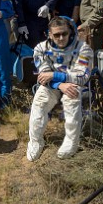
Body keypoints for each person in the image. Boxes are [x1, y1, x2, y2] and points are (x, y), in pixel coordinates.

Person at [26, 17, 93, 161]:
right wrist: (59, 84)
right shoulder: (40, 49)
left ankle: (71, 141)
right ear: (49, 34)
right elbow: (44, 76)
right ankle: (36, 141)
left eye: (64, 33)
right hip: (55, 84)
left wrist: (55, 75)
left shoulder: (83, 49)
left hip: (73, 84)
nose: (61, 38)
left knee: (71, 96)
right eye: (56, 35)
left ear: (70, 32)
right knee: (40, 101)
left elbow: (82, 77)